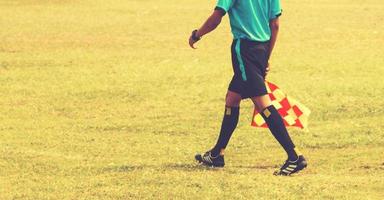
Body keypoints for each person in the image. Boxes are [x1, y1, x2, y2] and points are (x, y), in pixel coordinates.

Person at [189, 0, 307, 176]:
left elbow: (216, 17)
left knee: (262, 103)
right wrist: (266, 56)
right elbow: (275, 25)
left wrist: (197, 34)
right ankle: (217, 153)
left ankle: (294, 157)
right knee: (232, 98)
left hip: (244, 50)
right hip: (261, 49)